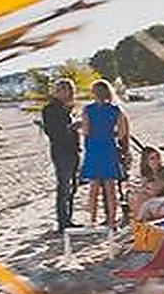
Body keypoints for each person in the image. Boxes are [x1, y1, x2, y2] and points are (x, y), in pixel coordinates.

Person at [78, 79, 128, 229]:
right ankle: (112, 221)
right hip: (108, 147)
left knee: (93, 188)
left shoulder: (88, 109)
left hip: (93, 148)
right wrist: (109, 133)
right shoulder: (115, 110)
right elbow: (121, 133)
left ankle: (92, 220)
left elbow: (86, 131)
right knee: (110, 187)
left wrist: (81, 129)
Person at [41, 80, 81, 231]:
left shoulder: (66, 108)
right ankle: (63, 222)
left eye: (71, 90)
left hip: (72, 150)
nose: (70, 93)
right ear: (58, 92)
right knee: (64, 186)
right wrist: (71, 127)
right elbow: (52, 133)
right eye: (66, 90)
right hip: (61, 152)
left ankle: (67, 220)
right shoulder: (50, 109)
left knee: (72, 186)